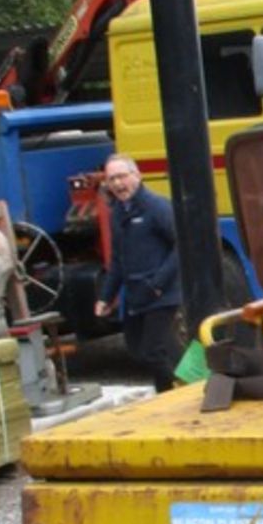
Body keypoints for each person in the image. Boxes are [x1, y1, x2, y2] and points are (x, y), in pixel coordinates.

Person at [93, 155, 183, 391]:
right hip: (137, 294)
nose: (118, 184)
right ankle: (190, 380)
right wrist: (106, 296)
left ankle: (169, 397)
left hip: (162, 293)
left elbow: (181, 246)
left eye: (122, 176)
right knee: (138, 348)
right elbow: (118, 260)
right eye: (112, 179)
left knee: (154, 350)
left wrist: (158, 283)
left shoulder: (156, 207)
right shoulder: (118, 213)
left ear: (137, 176)